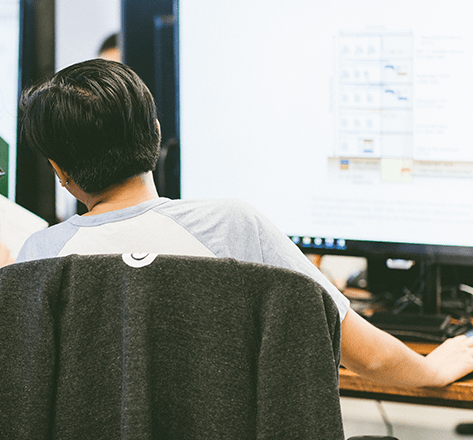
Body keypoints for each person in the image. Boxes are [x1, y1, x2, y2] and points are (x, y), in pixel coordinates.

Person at [17, 59, 473, 389]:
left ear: (60, 171)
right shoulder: (233, 226)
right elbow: (368, 356)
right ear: (155, 133)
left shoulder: (38, 258)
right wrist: (434, 368)